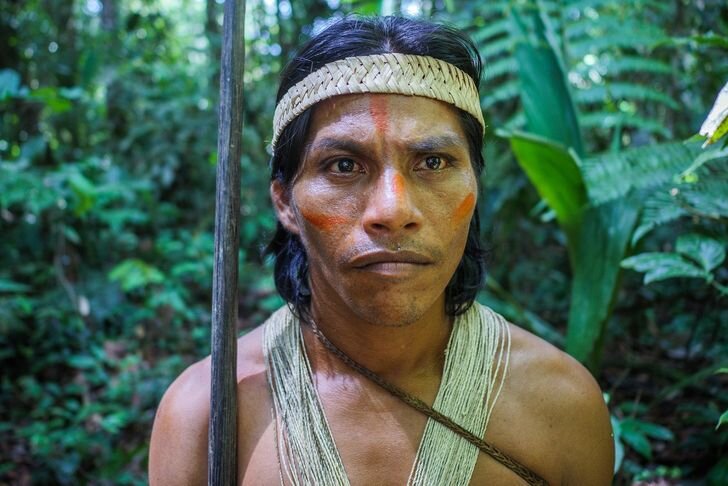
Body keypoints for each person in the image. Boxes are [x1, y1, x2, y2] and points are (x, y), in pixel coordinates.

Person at [149, 16, 614, 485]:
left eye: (433, 162)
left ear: (475, 186)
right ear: (285, 203)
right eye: (344, 165)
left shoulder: (560, 406)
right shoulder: (205, 414)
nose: (392, 210)